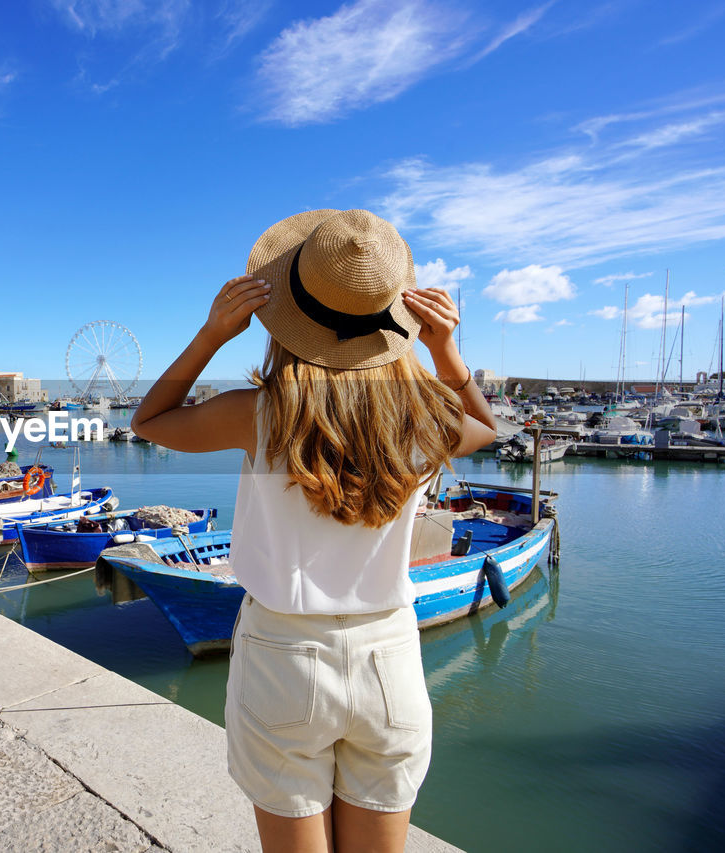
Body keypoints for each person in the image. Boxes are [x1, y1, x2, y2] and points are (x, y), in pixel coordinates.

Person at [130, 209, 496, 853]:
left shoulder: (259, 414)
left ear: (289, 316)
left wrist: (212, 335)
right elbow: (489, 429)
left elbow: (151, 420)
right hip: (389, 655)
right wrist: (445, 353)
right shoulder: (422, 418)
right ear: (395, 318)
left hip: (282, 654)